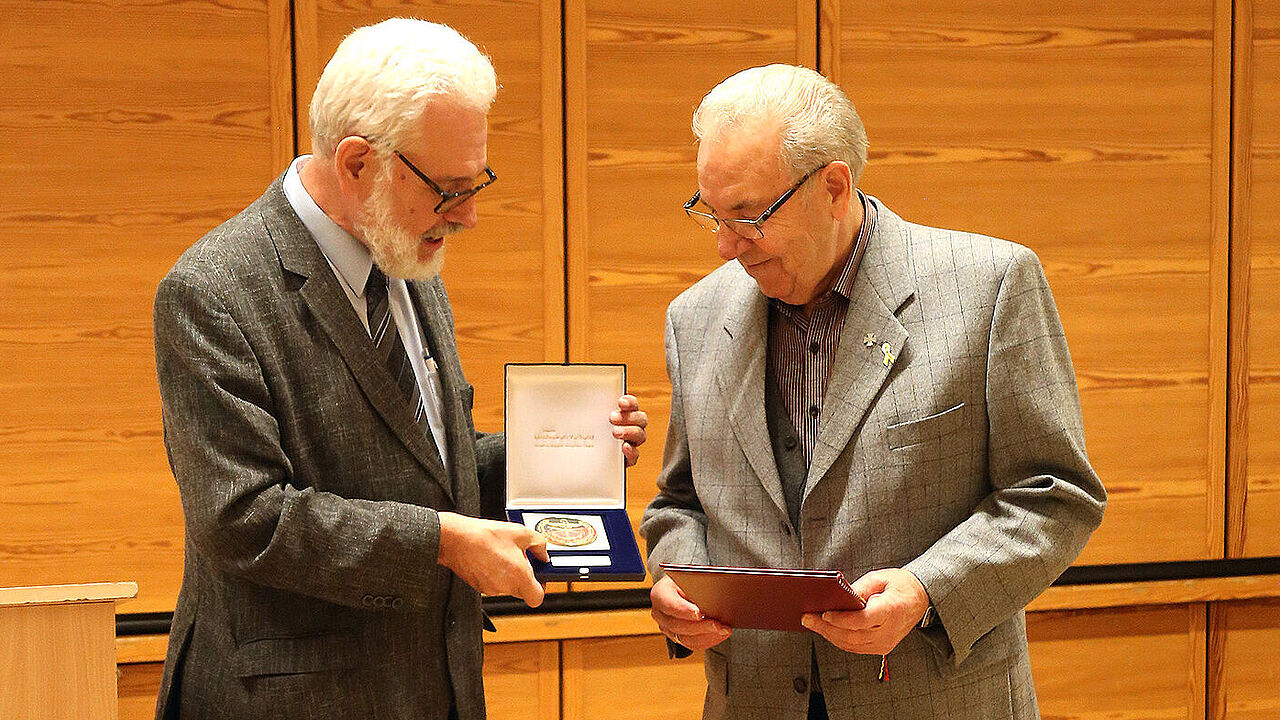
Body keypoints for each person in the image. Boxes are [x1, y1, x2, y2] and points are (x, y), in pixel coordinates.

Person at [152, 19, 647, 720]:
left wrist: (555, 452)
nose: (470, 214)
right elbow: (244, 518)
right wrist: (444, 542)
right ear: (356, 164)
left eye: (477, 182)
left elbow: (428, 466)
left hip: (433, 686)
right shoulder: (213, 292)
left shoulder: (406, 256)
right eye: (450, 188)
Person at [640, 63, 1105, 720]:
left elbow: (1055, 497)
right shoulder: (694, 316)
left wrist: (926, 590)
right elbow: (680, 503)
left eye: (747, 216)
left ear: (834, 186)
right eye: (709, 214)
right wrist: (677, 583)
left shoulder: (991, 288)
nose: (724, 247)